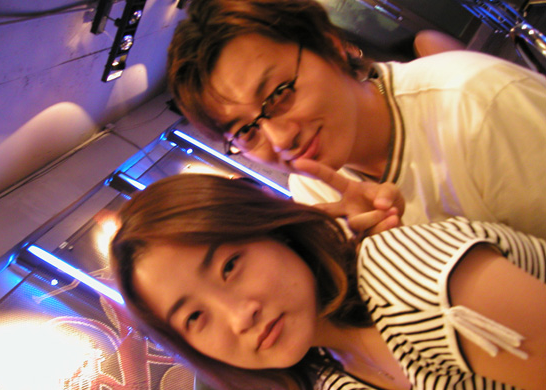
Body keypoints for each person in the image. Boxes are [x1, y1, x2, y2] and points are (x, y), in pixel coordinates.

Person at [109, 167, 546, 390]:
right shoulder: (334, 379)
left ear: (272, 229)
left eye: (229, 266)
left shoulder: (405, 277)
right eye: (194, 318)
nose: (239, 317)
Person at [166, 0, 546, 239]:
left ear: (330, 46)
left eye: (279, 94)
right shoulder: (314, 189)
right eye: (246, 131)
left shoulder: (476, 102)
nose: (280, 140)